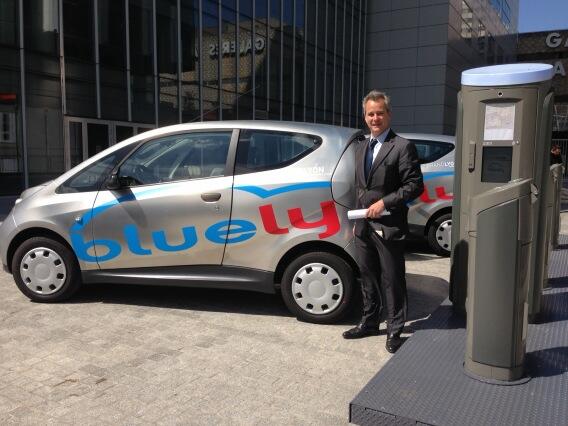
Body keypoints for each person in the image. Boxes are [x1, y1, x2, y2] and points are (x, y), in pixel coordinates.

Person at [343, 90, 424, 354]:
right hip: (363, 225)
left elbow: (414, 185)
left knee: (392, 279)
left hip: (389, 224)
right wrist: (357, 220)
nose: (375, 118)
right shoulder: (360, 147)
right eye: (370, 114)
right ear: (364, 117)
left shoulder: (402, 146)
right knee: (367, 275)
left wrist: (385, 203)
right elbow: (360, 188)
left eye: (379, 112)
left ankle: (395, 330)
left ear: (388, 114)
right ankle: (369, 322)